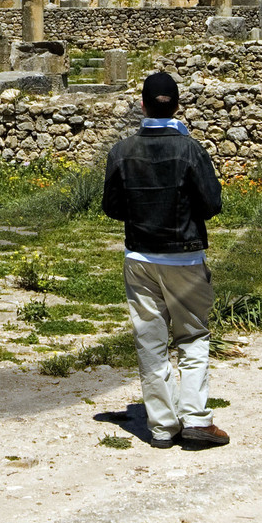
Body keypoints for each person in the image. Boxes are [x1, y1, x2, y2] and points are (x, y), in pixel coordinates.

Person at [102, 71, 228, 448]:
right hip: (186, 258)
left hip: (139, 256)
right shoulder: (192, 149)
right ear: (177, 105)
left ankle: (161, 426)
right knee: (192, 337)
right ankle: (195, 418)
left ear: (141, 105)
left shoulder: (121, 151)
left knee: (150, 341)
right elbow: (213, 204)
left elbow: (111, 207)